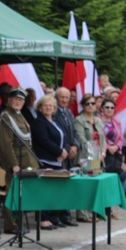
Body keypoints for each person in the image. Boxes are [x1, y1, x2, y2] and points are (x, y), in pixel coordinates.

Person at [0, 88, 39, 234]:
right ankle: (10, 224)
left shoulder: (18, 115)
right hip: (16, 162)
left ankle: (17, 222)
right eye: (15, 99)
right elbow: (5, 144)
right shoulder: (6, 117)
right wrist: (13, 164)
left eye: (21, 100)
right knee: (12, 193)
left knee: (20, 193)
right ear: (9, 100)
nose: (18, 102)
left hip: (26, 160)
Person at [31, 95, 67, 230]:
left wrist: (65, 151)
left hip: (57, 161)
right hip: (45, 160)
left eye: (50, 105)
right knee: (45, 191)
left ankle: (53, 216)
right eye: (45, 105)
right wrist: (59, 152)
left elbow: (64, 137)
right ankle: (43, 218)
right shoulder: (38, 122)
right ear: (40, 108)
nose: (48, 108)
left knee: (55, 191)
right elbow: (44, 141)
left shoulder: (55, 121)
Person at [74, 94, 107, 222]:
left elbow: (103, 139)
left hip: (98, 157)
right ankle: (83, 214)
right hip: (85, 157)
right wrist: (95, 153)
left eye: (93, 103)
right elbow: (82, 139)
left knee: (94, 185)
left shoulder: (98, 120)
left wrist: (102, 154)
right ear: (83, 105)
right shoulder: (79, 120)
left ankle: (93, 211)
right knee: (84, 185)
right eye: (87, 104)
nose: (90, 106)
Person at [52, 88, 79, 227]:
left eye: (66, 97)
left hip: (70, 155)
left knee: (68, 185)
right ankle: (56, 216)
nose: (64, 100)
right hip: (60, 154)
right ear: (56, 98)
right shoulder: (53, 113)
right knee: (59, 186)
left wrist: (75, 145)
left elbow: (74, 131)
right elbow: (57, 133)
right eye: (61, 97)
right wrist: (67, 149)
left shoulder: (69, 112)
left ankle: (65, 215)